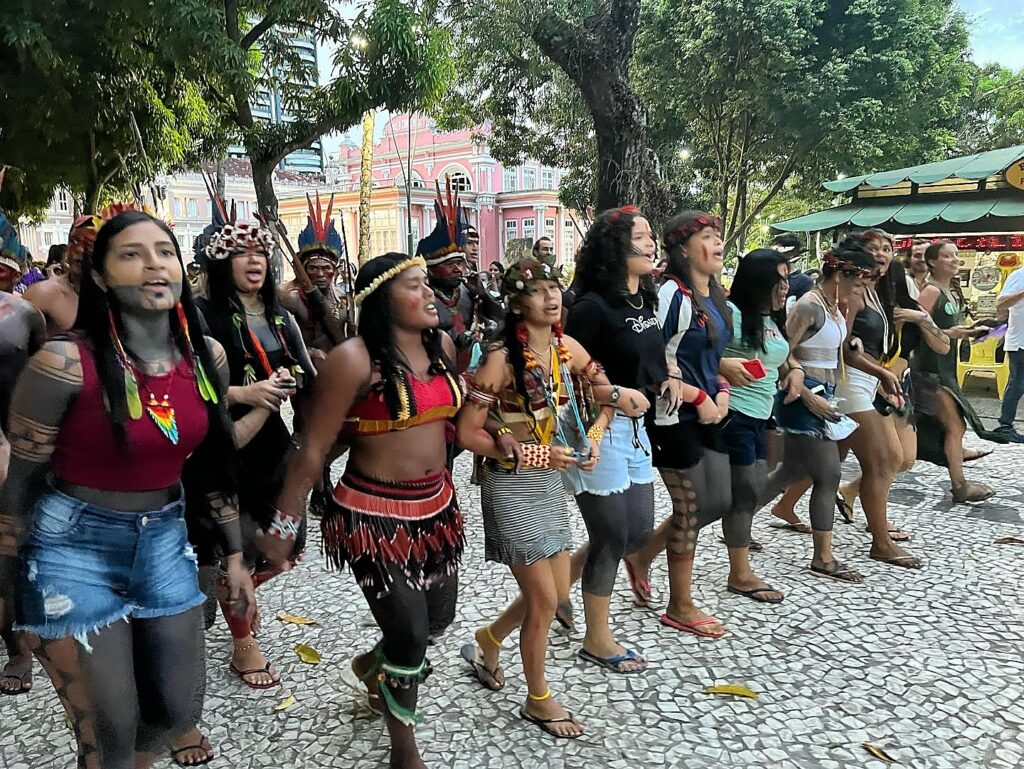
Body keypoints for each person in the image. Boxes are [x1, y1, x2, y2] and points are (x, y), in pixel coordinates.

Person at [0, 209, 254, 769]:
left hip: (164, 540)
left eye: (163, 251)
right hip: (69, 548)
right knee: (110, 730)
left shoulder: (205, 357)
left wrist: (235, 556)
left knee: (174, 712)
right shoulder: (64, 362)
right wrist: (9, 585)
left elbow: (213, 463)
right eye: (131, 255)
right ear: (100, 275)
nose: (153, 265)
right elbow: (20, 483)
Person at [269, 252, 464, 769]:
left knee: (437, 619)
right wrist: (284, 526)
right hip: (371, 518)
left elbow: (459, 427)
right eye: (416, 286)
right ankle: (404, 749)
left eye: (429, 285)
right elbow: (313, 448)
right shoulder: (354, 360)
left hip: (438, 508)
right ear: (381, 298)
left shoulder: (441, 348)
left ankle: (373, 665)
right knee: (410, 635)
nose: (430, 295)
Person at [457, 256, 639, 738]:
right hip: (512, 483)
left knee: (557, 593)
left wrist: (596, 437)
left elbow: (606, 397)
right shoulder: (500, 357)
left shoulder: (567, 348)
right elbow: (467, 433)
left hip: (549, 482)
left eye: (554, 287)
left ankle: (488, 638)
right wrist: (536, 454)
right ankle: (538, 698)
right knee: (543, 601)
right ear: (517, 303)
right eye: (537, 291)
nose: (551, 297)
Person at [195, 221, 314, 691]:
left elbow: (305, 370)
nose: (254, 262)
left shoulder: (280, 314)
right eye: (242, 254)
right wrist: (250, 391)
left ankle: (231, 593)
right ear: (221, 263)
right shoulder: (203, 314)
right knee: (236, 549)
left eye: (260, 253)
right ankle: (242, 641)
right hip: (223, 444)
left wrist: (294, 384)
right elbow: (193, 389)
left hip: (273, 445)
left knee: (287, 546)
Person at [562, 206, 669, 667]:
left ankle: (555, 588)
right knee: (611, 536)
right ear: (613, 248)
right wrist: (617, 393)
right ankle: (597, 638)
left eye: (651, 237)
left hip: (637, 428)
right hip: (595, 430)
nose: (650, 245)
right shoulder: (589, 308)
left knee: (637, 532)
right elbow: (566, 376)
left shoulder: (644, 301)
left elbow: (652, 356)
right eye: (640, 238)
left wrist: (670, 379)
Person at [760, 234, 879, 583]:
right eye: (859, 278)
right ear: (840, 274)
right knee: (828, 475)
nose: (862, 285)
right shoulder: (810, 305)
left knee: (788, 473)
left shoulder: (833, 306)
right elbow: (781, 351)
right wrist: (808, 395)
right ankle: (823, 557)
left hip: (823, 393)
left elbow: (839, 349)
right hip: (802, 396)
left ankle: (738, 520)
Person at [716, 249, 804, 605]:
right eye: (777, 280)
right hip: (733, 414)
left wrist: (794, 371)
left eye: (786, 279)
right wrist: (724, 364)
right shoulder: (732, 314)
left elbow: (782, 356)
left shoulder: (772, 318)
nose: (784, 287)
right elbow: (698, 356)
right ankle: (739, 572)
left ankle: (645, 554)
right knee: (745, 493)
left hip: (761, 416)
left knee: (744, 494)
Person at [913, 240, 1007, 501]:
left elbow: (940, 328)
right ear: (933, 262)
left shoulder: (949, 292)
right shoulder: (931, 291)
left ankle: (958, 481)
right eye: (947, 256)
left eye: (956, 255)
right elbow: (916, 326)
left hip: (946, 370)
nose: (955, 260)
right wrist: (947, 334)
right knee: (955, 426)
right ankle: (959, 485)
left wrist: (964, 331)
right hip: (930, 371)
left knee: (952, 427)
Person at [0, 211, 46, 697]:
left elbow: (42, 383)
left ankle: (20, 648)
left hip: (15, 445)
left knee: (11, 548)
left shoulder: (24, 315)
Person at [279, 193, 351, 358]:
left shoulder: (343, 297)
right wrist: (310, 353)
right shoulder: (291, 298)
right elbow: (282, 339)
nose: (320, 274)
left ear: (336, 270)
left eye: (326, 268)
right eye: (313, 268)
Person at [24, 215, 97, 334]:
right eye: (74, 241)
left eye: (90, 243)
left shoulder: (118, 297)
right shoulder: (43, 293)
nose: (79, 249)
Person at [995, 265, 1024, 442]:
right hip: (1020, 343)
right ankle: (1005, 425)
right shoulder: (1019, 275)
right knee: (1017, 384)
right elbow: (1001, 303)